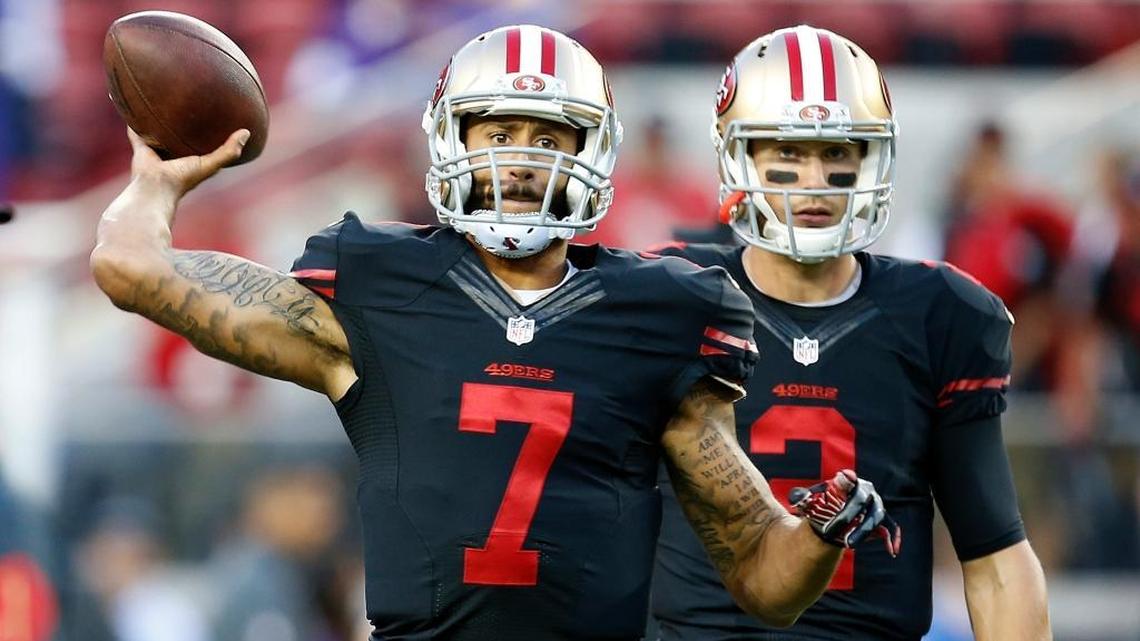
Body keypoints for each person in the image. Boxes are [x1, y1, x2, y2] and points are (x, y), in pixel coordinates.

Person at [91, 25, 896, 640]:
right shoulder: (376, 287)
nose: (521, 160)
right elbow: (132, 268)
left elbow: (765, 579)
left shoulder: (661, 313)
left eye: (549, 138)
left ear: (594, 152)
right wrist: (156, 182)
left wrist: (818, 532)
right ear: (452, 140)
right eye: (499, 133)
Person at [650, 25, 1051, 641]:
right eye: (786, 151)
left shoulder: (938, 313)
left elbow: (994, 555)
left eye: (837, 152)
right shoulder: (667, 297)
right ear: (740, 155)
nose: (813, 179)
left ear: (872, 158)